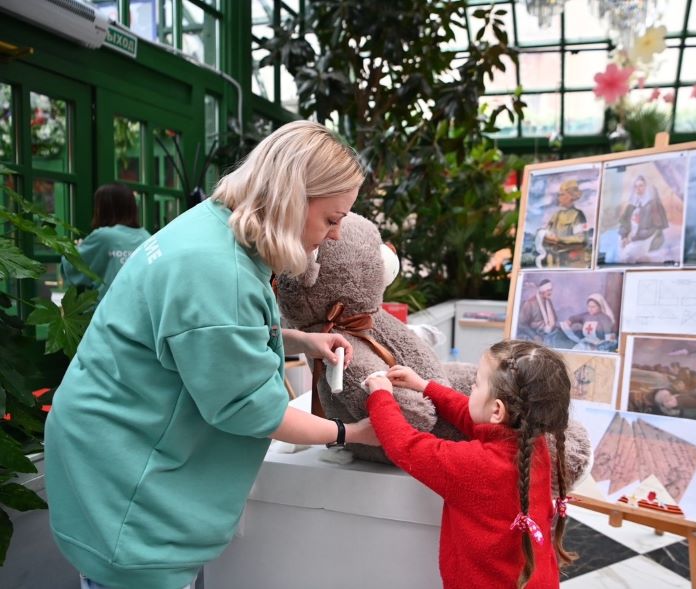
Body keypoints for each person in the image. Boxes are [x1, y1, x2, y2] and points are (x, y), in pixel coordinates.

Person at [44, 121, 380, 589]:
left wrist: (302, 341)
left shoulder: (213, 227)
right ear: (292, 198)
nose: (337, 235)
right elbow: (250, 408)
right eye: (332, 218)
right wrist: (354, 432)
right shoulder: (218, 270)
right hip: (131, 492)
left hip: (112, 458)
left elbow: (202, 339)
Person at [365, 340, 576, 589]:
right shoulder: (533, 444)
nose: (472, 389)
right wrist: (424, 386)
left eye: (476, 384)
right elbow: (473, 415)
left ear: (497, 410)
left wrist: (381, 395)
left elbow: (406, 445)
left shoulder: (475, 466)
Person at [60, 182, 150, 300]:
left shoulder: (104, 236)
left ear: (102, 208)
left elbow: (71, 266)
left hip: (108, 312)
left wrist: (77, 247)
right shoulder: (146, 236)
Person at [617, 174, 669, 263]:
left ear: (646, 186)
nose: (638, 189)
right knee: (620, 253)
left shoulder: (654, 205)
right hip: (631, 239)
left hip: (647, 240)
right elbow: (624, 223)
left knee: (627, 256)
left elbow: (655, 229)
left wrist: (632, 239)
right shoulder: (631, 206)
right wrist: (623, 236)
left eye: (641, 185)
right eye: (636, 186)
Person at [542, 179, 590, 267]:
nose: (559, 197)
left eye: (562, 194)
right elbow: (548, 233)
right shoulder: (556, 215)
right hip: (554, 262)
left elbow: (581, 238)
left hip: (571, 263)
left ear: (571, 196)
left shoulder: (578, 215)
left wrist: (559, 239)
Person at [517, 279, 559, 345]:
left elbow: (555, 319)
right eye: (548, 290)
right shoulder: (530, 303)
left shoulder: (549, 301)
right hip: (536, 337)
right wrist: (534, 336)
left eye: (551, 290)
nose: (550, 292)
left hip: (550, 335)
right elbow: (521, 324)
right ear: (542, 291)